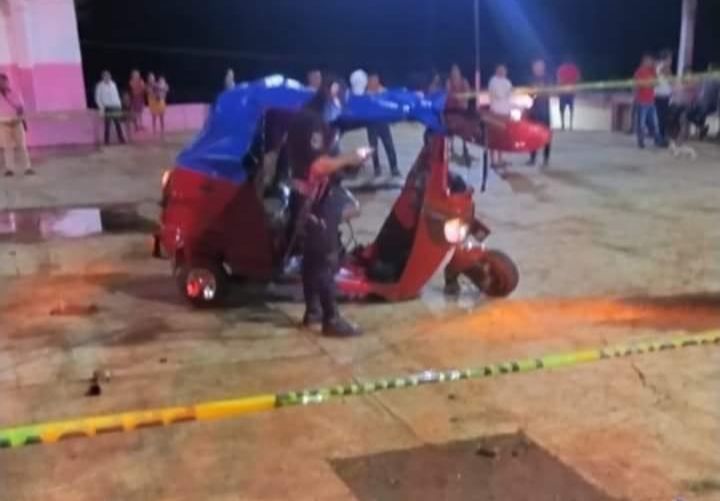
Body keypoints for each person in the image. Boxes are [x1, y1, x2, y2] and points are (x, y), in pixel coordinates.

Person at [287, 78, 371, 337]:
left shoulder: (304, 116)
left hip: (304, 197)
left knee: (312, 258)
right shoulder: (313, 122)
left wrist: (345, 164)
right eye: (340, 100)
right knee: (324, 258)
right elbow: (317, 166)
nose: (340, 106)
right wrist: (351, 157)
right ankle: (331, 318)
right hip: (314, 200)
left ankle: (312, 311)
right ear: (332, 94)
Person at [366, 72, 400, 177]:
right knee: (373, 147)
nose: (373, 82)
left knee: (389, 145)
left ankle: (394, 168)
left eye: (375, 80)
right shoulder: (366, 94)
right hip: (371, 123)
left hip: (383, 122)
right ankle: (376, 168)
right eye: (371, 80)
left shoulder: (384, 91)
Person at [0, 73, 33, 176]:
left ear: (7, 82)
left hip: (17, 123)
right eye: (0, 81)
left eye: (4, 81)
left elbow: (21, 107)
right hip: (3, 124)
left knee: (22, 146)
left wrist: (24, 121)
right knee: (7, 147)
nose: (2, 83)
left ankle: (27, 168)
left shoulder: (14, 92)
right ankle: (10, 169)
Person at [633, 54, 664, 149]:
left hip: (651, 101)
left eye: (651, 61)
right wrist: (650, 83)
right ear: (644, 61)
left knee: (655, 122)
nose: (651, 62)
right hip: (641, 101)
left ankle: (658, 140)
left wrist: (657, 71)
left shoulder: (652, 71)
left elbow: (657, 83)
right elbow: (638, 85)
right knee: (641, 123)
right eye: (649, 60)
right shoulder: (639, 71)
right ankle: (641, 141)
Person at [527, 59, 552, 166]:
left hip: (545, 111)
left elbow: (550, 92)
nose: (537, 69)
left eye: (539, 66)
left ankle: (546, 159)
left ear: (543, 67)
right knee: (533, 135)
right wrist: (534, 93)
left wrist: (540, 91)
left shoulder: (548, 78)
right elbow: (531, 95)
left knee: (546, 136)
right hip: (535, 110)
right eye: (535, 67)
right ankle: (532, 158)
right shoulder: (531, 79)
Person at [488, 64, 513, 167]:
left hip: (505, 112)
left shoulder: (507, 82)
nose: (503, 72)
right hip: (496, 112)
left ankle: (500, 159)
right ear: (497, 71)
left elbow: (509, 96)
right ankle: (493, 160)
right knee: (494, 137)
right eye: (500, 70)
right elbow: (497, 95)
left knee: (502, 138)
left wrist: (509, 112)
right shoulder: (493, 81)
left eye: (504, 70)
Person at [446, 64, 472, 165]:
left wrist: (463, 99)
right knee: (451, 130)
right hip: (451, 109)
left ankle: (465, 150)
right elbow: (448, 93)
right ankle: (451, 150)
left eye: (456, 71)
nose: (455, 73)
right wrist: (455, 97)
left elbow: (468, 93)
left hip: (462, 109)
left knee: (464, 131)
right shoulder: (449, 82)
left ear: (459, 72)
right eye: (453, 72)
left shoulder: (464, 81)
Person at [687, 63, 720, 139]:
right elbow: (699, 89)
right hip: (701, 103)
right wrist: (695, 100)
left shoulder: (717, 80)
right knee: (689, 114)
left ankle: (702, 129)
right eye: (709, 68)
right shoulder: (705, 78)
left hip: (710, 104)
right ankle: (702, 128)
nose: (709, 70)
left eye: (711, 69)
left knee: (699, 115)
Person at [95, 70, 126, 145]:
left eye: (108, 76)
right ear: (102, 77)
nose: (107, 77)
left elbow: (116, 95)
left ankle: (121, 139)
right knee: (107, 125)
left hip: (115, 106)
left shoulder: (113, 84)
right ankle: (106, 141)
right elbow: (97, 98)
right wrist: (101, 107)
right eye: (105, 76)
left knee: (118, 124)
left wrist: (119, 105)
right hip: (107, 107)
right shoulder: (100, 86)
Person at [556, 56, 581, 131]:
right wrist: (573, 84)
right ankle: (570, 124)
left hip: (563, 92)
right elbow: (578, 78)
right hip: (571, 92)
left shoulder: (561, 68)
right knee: (571, 108)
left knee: (562, 109)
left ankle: (563, 124)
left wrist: (561, 86)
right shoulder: (574, 68)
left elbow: (559, 80)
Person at [654, 50, 674, 141]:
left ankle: (660, 137)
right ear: (665, 59)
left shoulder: (657, 66)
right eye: (670, 58)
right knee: (662, 118)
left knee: (660, 118)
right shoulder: (664, 67)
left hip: (659, 95)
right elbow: (671, 81)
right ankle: (660, 138)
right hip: (662, 96)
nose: (671, 60)